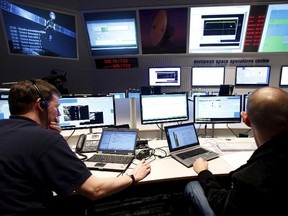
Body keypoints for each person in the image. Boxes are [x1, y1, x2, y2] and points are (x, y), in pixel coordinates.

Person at [0, 79, 151, 216]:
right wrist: (133, 177)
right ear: (41, 105)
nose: (59, 113)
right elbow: (95, 190)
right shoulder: (45, 139)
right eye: (57, 107)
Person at [184, 86, 288, 216]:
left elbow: (222, 204)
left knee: (192, 186)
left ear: (246, 120)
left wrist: (203, 172)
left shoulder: (251, 177)